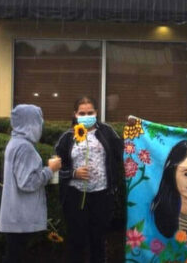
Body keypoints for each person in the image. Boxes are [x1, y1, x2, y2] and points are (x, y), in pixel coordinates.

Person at [55, 96, 124, 263]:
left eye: (90, 112)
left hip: (102, 195)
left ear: (96, 112)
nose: (86, 116)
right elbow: (55, 168)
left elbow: (122, 154)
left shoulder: (107, 132)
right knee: (76, 240)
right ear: (75, 114)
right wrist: (73, 173)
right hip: (76, 196)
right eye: (82, 113)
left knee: (98, 240)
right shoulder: (67, 137)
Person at [0, 104, 62, 263]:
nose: (41, 124)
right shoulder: (24, 147)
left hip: (14, 215)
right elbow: (27, 183)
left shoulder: (15, 142)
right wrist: (50, 169)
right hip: (21, 217)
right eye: (38, 121)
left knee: (13, 254)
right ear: (30, 123)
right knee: (16, 256)